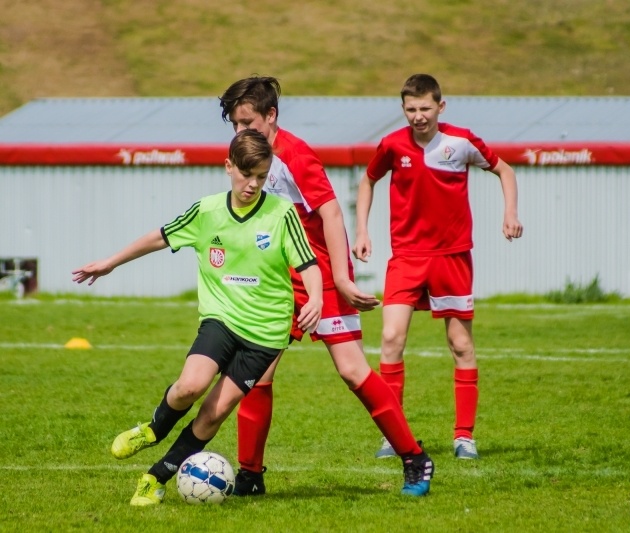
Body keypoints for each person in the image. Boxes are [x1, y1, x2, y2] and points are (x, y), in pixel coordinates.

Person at [71, 130, 324, 506]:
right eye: (245, 174)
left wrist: (315, 299)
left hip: (266, 334)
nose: (252, 184)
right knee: (190, 386)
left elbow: (309, 263)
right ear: (228, 167)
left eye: (261, 176)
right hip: (221, 319)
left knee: (214, 413)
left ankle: (155, 478)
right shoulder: (206, 212)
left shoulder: (281, 214)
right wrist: (110, 262)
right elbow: (160, 237)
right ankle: (153, 428)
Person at [218, 76, 434, 497]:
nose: (240, 132)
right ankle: (250, 474)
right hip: (280, 280)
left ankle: (413, 456)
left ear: (271, 116)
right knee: (257, 375)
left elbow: (332, 215)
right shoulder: (246, 154)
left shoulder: (296, 156)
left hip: (320, 272)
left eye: (248, 122)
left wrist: (340, 278)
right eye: (235, 124)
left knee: (352, 370)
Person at [352, 73, 524, 460]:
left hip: (452, 257)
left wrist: (509, 212)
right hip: (407, 258)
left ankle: (464, 437)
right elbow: (367, 181)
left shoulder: (461, 141)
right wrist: (361, 230)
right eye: (410, 109)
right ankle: (393, 438)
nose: (418, 116)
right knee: (392, 339)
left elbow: (505, 171)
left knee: (460, 343)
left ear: (440, 107)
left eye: (425, 108)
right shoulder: (392, 145)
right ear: (403, 110)